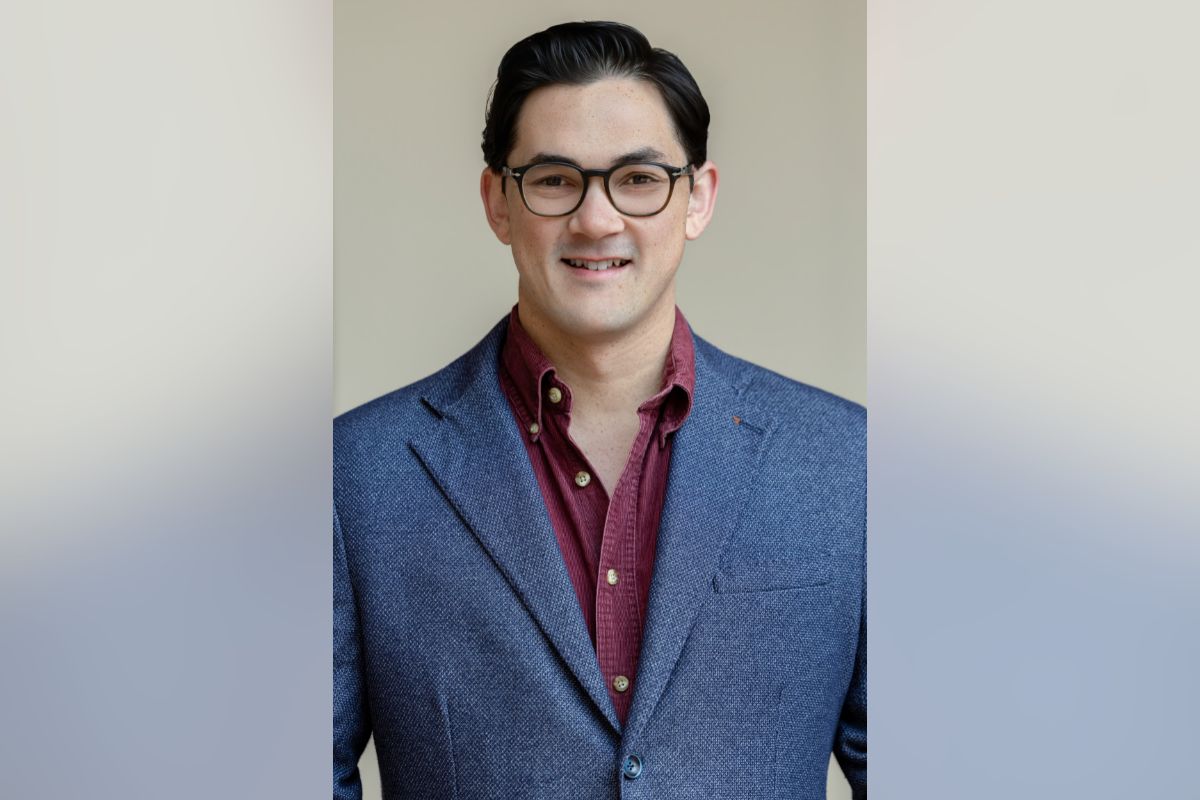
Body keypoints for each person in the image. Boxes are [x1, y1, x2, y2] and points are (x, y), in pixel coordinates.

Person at [334, 20, 865, 800]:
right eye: (553, 179)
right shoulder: (355, 475)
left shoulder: (848, 463)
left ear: (698, 197)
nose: (596, 219)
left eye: (640, 179)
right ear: (497, 203)